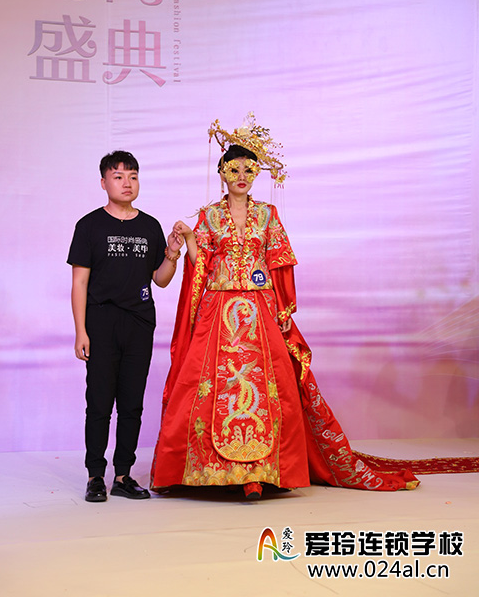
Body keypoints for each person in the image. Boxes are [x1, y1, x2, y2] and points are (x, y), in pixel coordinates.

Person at [150, 114, 419, 499]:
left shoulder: (267, 215)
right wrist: (190, 238)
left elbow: (279, 262)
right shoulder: (209, 216)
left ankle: (262, 473)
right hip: (218, 308)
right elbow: (201, 265)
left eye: (248, 169)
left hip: (259, 309)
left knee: (270, 388)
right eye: (234, 169)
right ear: (222, 173)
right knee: (207, 386)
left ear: (256, 174)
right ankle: (210, 472)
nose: (241, 176)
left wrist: (284, 310)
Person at [67, 150, 183, 502]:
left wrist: (172, 253)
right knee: (99, 402)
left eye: (132, 176)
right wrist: (81, 331)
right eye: (118, 176)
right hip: (101, 321)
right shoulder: (89, 225)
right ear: (104, 183)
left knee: (132, 403)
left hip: (139, 322)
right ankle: (95, 476)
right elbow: (79, 283)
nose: (126, 182)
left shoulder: (149, 226)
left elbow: (160, 279)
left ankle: (122, 475)